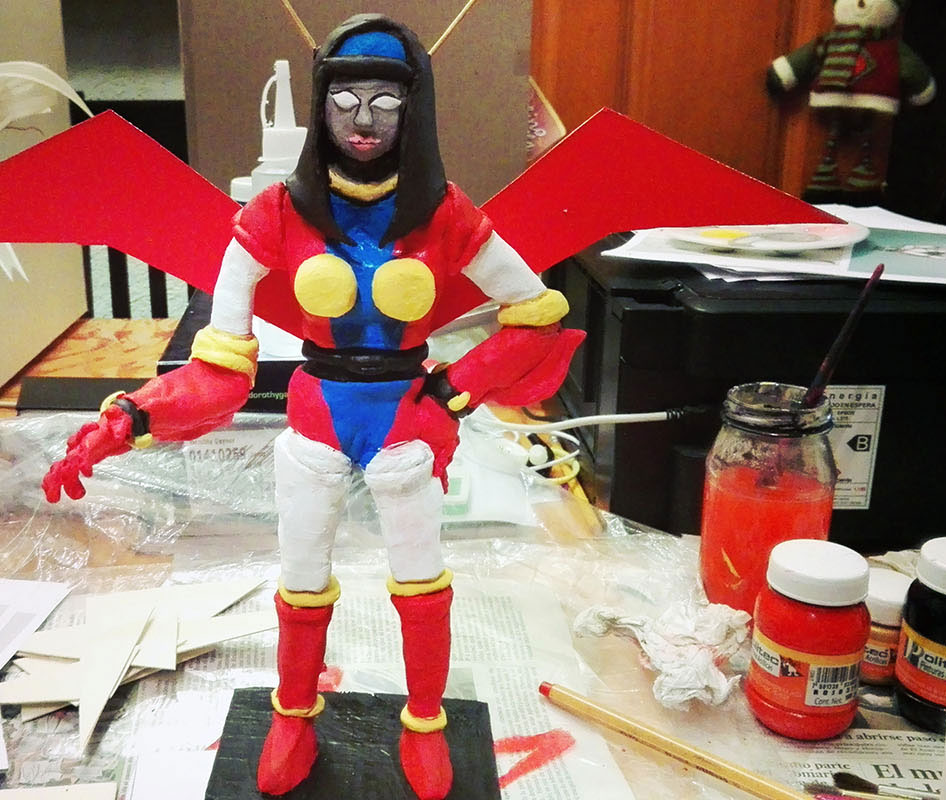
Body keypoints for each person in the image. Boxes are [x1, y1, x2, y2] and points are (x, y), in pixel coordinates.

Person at [43, 14, 582, 799]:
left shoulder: (447, 213)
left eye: (385, 102)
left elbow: (537, 314)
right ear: (320, 103)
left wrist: (451, 393)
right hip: (316, 415)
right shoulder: (273, 214)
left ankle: (425, 722)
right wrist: (128, 419)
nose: (364, 120)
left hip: (404, 415)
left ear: (415, 108)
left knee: (422, 583)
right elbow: (220, 367)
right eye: (345, 100)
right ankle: (292, 717)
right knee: (300, 582)